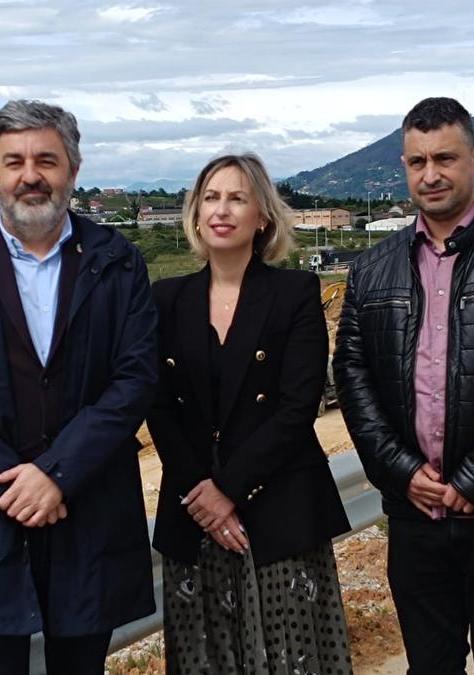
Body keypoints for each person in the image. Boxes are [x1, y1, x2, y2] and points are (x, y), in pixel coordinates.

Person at [0, 99, 159, 675]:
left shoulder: (119, 263)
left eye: (46, 159)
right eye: (13, 160)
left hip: (85, 504)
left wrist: (56, 474)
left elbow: (135, 377)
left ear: (73, 169)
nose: (30, 175)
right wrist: (15, 486)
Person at [333, 97, 474, 673]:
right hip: (413, 515)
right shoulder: (371, 268)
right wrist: (402, 471)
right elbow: (352, 377)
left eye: (446, 158)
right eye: (417, 161)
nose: (431, 174)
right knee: (429, 665)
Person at [148, 152, 353, 675]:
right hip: (194, 518)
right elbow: (156, 404)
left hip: (279, 510)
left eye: (238, 197)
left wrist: (228, 492)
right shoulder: (164, 301)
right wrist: (203, 496)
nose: (222, 209)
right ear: (195, 214)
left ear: (262, 215)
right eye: (211, 198)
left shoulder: (295, 294)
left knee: (290, 658)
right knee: (206, 658)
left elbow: (297, 406)